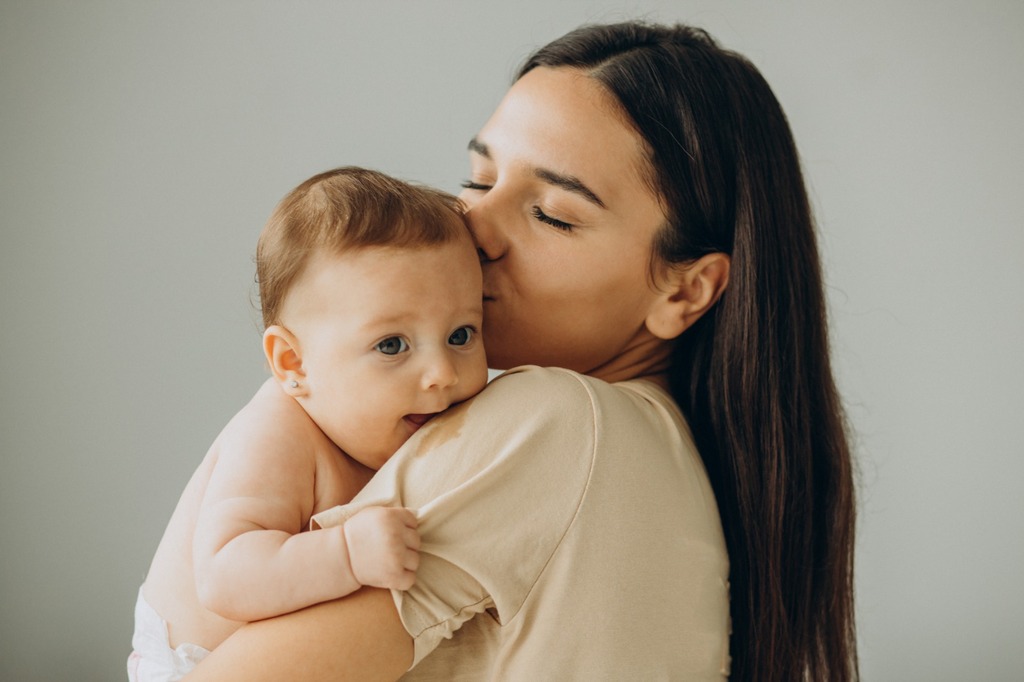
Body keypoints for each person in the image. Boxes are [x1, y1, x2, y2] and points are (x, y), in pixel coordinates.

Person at [184, 20, 858, 682]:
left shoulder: (560, 424)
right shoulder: (661, 454)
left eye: (553, 214)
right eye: (478, 180)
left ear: (686, 291)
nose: (472, 229)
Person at [129, 167, 489, 681]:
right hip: (195, 663)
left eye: (461, 334)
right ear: (294, 364)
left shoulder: (404, 423)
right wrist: (345, 553)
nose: (441, 374)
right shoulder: (277, 434)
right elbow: (225, 576)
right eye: (392, 345)